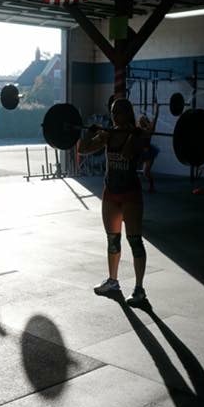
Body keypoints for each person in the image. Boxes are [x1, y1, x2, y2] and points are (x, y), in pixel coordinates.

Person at [78, 97, 149, 306]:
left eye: (119, 112)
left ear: (128, 113)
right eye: (113, 112)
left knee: (135, 241)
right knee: (112, 239)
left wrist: (135, 134)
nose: (115, 115)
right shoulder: (108, 135)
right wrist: (89, 132)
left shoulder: (135, 136)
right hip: (111, 193)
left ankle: (139, 289)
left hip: (130, 194)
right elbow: (82, 149)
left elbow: (128, 154)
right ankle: (113, 281)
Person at [136, 102, 161, 193]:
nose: (141, 121)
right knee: (135, 170)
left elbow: (155, 119)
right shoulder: (137, 130)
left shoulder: (149, 130)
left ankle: (152, 186)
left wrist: (157, 110)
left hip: (148, 153)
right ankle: (137, 186)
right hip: (140, 153)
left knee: (146, 172)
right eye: (140, 120)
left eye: (143, 120)